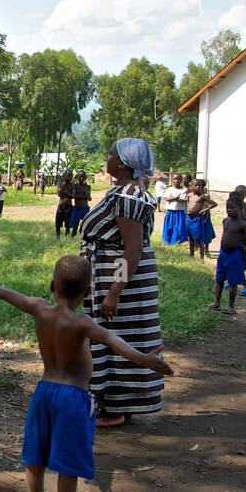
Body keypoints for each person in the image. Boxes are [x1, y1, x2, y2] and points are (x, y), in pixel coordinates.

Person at [0, 255, 173, 492]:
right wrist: (146, 359)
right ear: (87, 291)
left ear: (51, 285)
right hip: (73, 398)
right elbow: (116, 343)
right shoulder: (83, 323)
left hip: (44, 393)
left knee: (35, 460)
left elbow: (4, 292)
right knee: (67, 465)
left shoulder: (38, 308)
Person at [78, 137, 164, 427]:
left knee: (114, 336)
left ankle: (114, 407)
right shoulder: (124, 192)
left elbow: (132, 250)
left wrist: (114, 291)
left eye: (111, 153)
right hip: (116, 277)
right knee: (113, 335)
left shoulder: (128, 196)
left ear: (122, 163)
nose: (107, 157)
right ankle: (114, 404)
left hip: (120, 281)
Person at [210, 197, 246, 315]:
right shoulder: (226, 221)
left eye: (232, 208)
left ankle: (231, 306)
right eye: (227, 208)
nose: (229, 210)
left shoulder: (242, 225)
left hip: (235, 255)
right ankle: (216, 302)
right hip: (223, 253)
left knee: (232, 282)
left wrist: (245, 260)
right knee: (219, 279)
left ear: (240, 208)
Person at [185, 178, 218, 259]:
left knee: (200, 239)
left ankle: (201, 258)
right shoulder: (189, 195)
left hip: (197, 219)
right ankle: (191, 255)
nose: (197, 187)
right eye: (195, 185)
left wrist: (204, 210)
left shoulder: (202, 196)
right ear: (191, 186)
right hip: (189, 219)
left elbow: (214, 204)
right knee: (190, 238)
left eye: (199, 185)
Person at [160, 173, 188, 245]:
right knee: (169, 227)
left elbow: (183, 200)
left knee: (178, 227)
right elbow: (166, 198)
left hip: (179, 212)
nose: (176, 181)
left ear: (181, 180)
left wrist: (172, 198)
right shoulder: (169, 189)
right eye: (175, 179)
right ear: (172, 180)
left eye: (178, 179)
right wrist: (176, 197)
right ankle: (167, 241)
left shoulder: (184, 190)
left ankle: (176, 241)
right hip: (170, 211)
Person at [68, 171, 92, 235]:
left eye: (83, 177)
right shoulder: (75, 186)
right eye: (80, 177)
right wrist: (84, 196)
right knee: (75, 224)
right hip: (77, 208)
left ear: (85, 178)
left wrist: (84, 190)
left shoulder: (88, 186)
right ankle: (73, 236)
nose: (81, 178)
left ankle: (84, 236)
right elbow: (74, 196)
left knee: (87, 223)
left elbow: (89, 198)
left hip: (85, 208)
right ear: (77, 178)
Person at [55, 171, 74, 236]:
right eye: (68, 176)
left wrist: (66, 193)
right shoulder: (60, 184)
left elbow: (73, 196)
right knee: (58, 222)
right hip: (61, 205)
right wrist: (63, 187)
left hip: (69, 206)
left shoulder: (72, 185)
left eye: (71, 176)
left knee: (67, 222)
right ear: (64, 176)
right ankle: (58, 235)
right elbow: (59, 194)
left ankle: (67, 234)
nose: (70, 177)